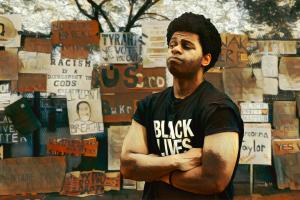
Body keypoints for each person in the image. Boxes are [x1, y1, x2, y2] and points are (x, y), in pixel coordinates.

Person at [120, 12, 244, 200]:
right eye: (172, 44)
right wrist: (178, 160)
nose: (176, 49)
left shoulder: (219, 109)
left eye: (186, 46)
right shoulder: (149, 105)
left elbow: (214, 180)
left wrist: (159, 172)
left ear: (206, 59)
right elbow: (128, 166)